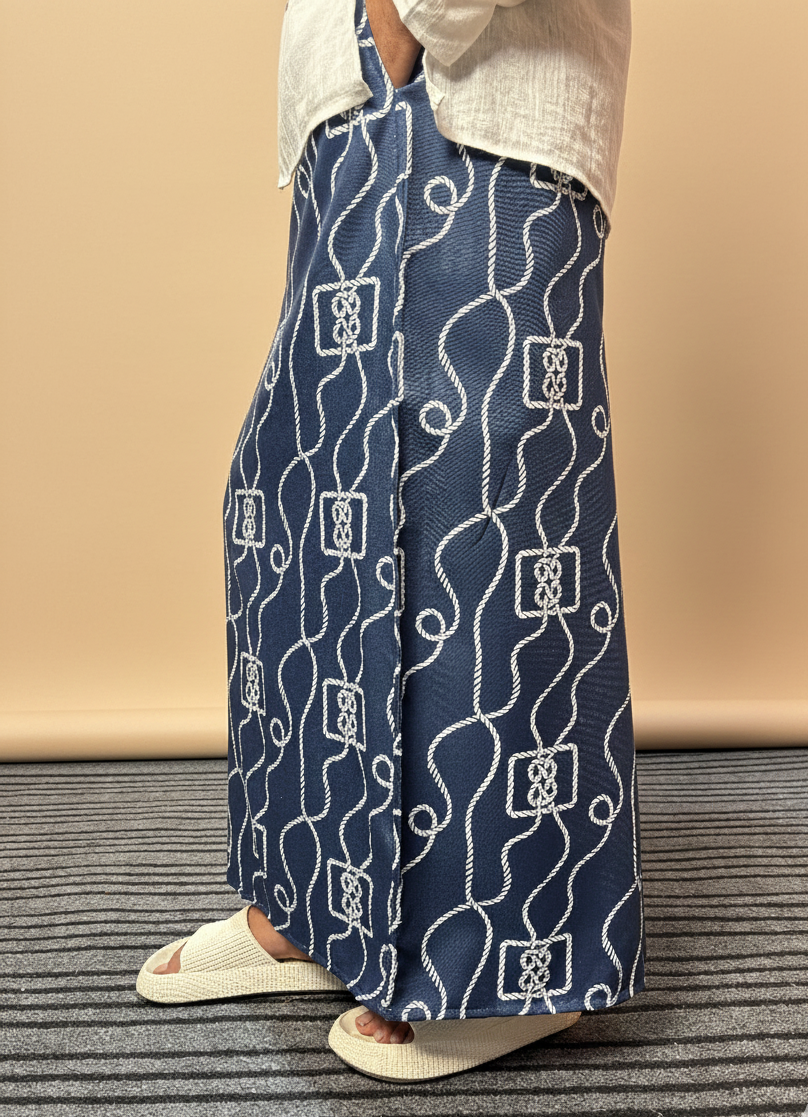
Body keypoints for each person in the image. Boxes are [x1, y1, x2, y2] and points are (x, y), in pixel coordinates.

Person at [137, 0, 645, 1082]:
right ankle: (315, 908)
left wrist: (408, 22)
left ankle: (506, 963)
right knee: (311, 500)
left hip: (474, 91)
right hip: (355, 107)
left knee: (477, 522)